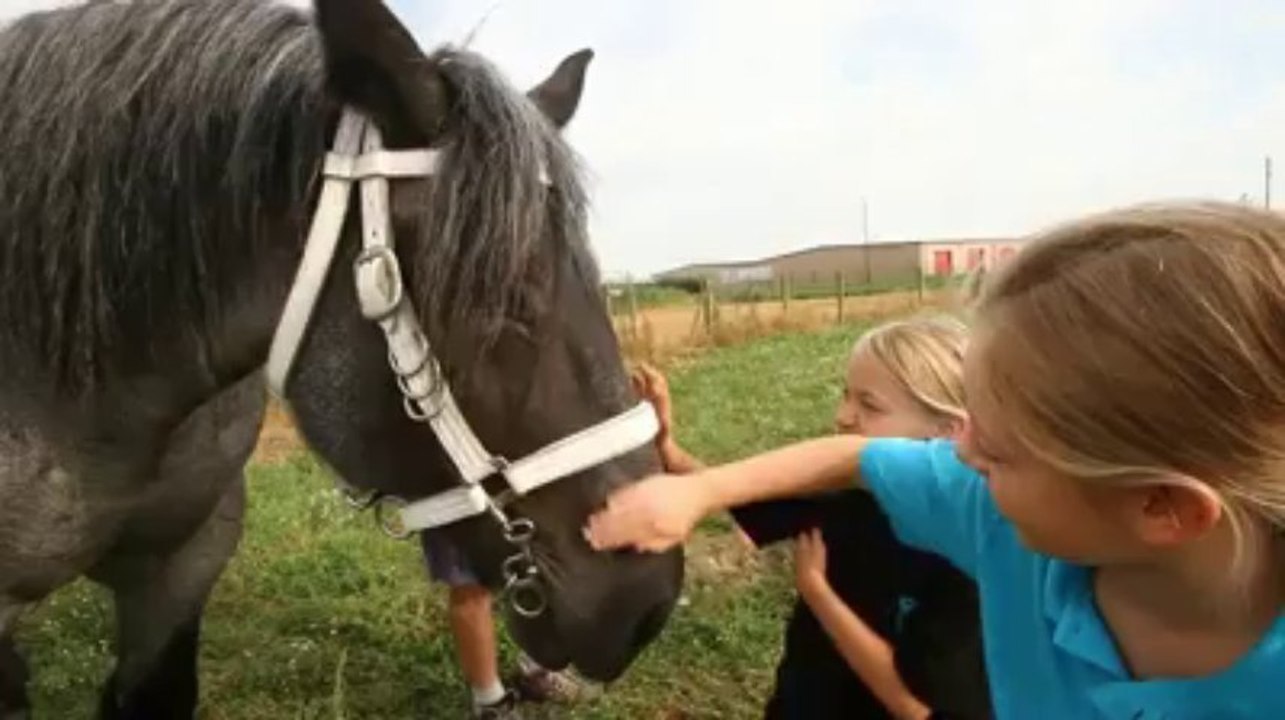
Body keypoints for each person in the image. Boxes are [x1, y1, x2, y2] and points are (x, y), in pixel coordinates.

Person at [589, 201, 1285, 719]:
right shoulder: (990, 512)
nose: (961, 451)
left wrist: (818, 593)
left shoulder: (995, 543)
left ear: (1162, 507)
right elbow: (860, 457)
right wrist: (698, 489)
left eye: (999, 450)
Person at [632, 316, 990, 720]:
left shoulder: (969, 557)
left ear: (947, 431)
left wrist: (818, 593)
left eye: (868, 405)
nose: (843, 415)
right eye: (846, 395)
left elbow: (914, 706)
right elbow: (739, 493)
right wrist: (668, 447)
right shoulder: (844, 493)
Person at [420, 533, 590, 719]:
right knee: (468, 583)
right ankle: (490, 704)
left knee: (533, 560)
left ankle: (536, 669)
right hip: (456, 508)